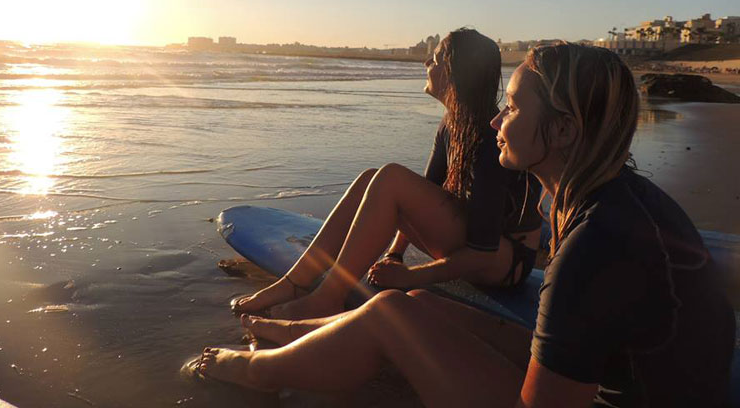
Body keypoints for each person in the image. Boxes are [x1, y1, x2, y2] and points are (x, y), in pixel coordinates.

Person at [199, 43, 735, 407]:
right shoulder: (620, 198)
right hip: (629, 379)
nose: (497, 120)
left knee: (391, 314)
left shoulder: (596, 243)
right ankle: (299, 331)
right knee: (415, 305)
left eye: (514, 108)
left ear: (565, 130)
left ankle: (254, 373)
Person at [231, 28, 542, 320]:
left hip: (504, 265)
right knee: (372, 178)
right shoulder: (453, 124)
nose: (426, 63)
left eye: (434, 59)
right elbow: (424, 194)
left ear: (452, 73)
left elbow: (483, 253)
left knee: (391, 178)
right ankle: (293, 283)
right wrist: (395, 254)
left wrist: (411, 277)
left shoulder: (488, 138)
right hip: (472, 246)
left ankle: (329, 296)